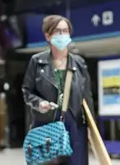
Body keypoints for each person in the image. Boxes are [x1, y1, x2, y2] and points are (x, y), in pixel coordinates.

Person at [22, 15, 94, 165]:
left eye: (65, 31)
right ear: (47, 36)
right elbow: (27, 91)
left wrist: (91, 128)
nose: (62, 35)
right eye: (57, 31)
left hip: (75, 127)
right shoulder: (37, 61)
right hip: (46, 126)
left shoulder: (79, 63)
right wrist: (39, 103)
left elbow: (87, 97)